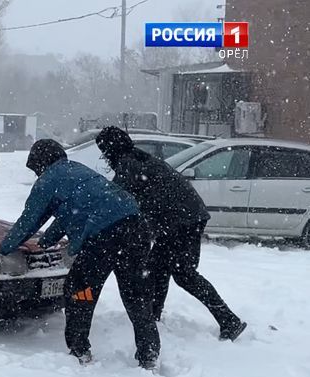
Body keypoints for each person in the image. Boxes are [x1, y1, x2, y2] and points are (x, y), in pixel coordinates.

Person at [0, 139, 160, 369]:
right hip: (136, 227)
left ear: (41, 163)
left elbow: (29, 221)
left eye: (35, 168)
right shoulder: (77, 170)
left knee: (80, 290)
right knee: (135, 294)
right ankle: (149, 352)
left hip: (104, 236)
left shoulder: (48, 180)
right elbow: (71, 211)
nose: (36, 174)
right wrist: (46, 241)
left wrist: (3, 247)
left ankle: (79, 350)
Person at [95, 126, 247, 341]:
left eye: (103, 151)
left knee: (184, 274)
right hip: (182, 218)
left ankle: (229, 320)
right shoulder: (136, 157)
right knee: (157, 267)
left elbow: (115, 199)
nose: (104, 156)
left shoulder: (128, 164)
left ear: (110, 149)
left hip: (182, 221)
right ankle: (154, 315)